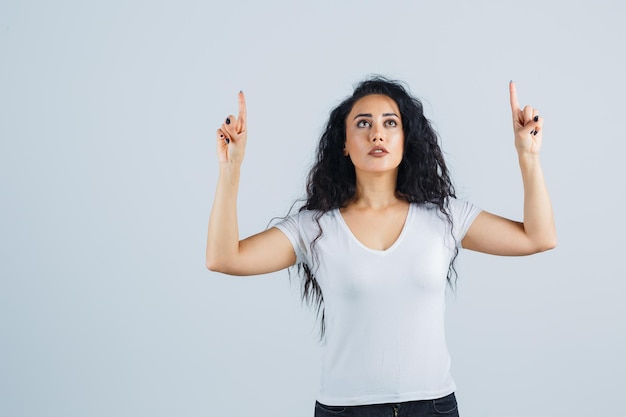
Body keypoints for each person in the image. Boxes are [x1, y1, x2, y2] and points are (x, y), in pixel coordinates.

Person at [206, 77, 556, 417]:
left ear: (406, 139)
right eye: (363, 123)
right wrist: (230, 169)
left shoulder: (445, 217)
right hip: (345, 410)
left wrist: (528, 157)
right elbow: (224, 258)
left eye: (390, 123)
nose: (377, 133)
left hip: (433, 407)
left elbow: (537, 238)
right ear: (343, 143)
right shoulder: (313, 228)